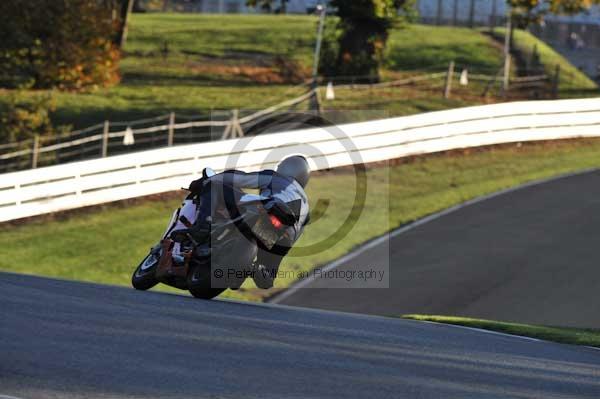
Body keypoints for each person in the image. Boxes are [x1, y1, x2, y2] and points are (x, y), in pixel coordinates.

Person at [175, 156, 311, 289]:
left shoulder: (277, 178)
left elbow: (239, 179)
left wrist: (207, 180)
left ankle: (203, 226)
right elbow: (294, 237)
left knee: (215, 184)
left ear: (287, 168)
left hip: (267, 208)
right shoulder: (306, 207)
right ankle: (263, 272)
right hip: (286, 233)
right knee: (267, 272)